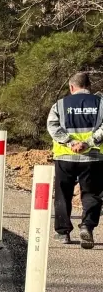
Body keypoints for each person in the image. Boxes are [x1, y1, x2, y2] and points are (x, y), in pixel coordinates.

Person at [47, 72, 103, 248]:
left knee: (63, 193)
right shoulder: (101, 103)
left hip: (65, 156)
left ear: (72, 87)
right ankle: (87, 226)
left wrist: (70, 142)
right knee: (92, 194)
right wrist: (88, 143)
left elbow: (52, 126)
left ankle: (63, 233)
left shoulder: (60, 104)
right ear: (89, 86)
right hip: (92, 157)